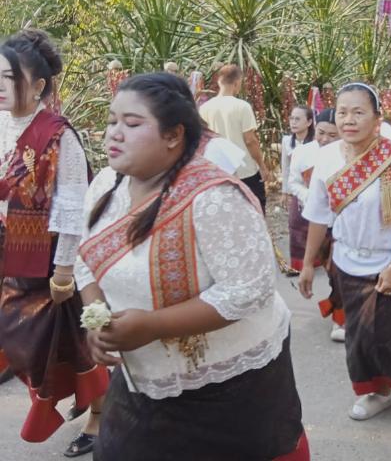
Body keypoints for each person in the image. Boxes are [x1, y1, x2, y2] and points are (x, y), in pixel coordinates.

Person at [74, 73, 308, 461]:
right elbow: (86, 258)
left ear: (173, 135)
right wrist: (95, 319)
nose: (114, 132)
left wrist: (152, 326)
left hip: (230, 386)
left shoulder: (215, 198)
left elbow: (248, 290)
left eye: (132, 123)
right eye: (112, 120)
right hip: (142, 377)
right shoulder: (105, 186)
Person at [0, 31, 109, 457]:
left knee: (70, 343)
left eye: (11, 77)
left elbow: (71, 205)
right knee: (27, 344)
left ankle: (99, 413)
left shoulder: (58, 135)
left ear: (39, 86)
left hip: (49, 260)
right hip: (9, 254)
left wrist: (64, 269)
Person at [299, 83, 391, 423]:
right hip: (346, 261)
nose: (348, 120)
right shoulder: (326, 157)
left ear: (377, 118)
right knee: (356, 338)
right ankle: (379, 394)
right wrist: (308, 264)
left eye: (358, 112)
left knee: (381, 336)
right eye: (342, 112)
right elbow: (318, 216)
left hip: (389, 260)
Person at [287, 109, 345, 342]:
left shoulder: (348, 154)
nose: (325, 139)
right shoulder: (302, 153)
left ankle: (341, 319)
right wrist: (311, 197)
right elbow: (293, 182)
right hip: (316, 222)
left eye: (333, 135)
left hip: (342, 223)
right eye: (321, 133)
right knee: (331, 273)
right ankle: (339, 308)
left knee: (340, 273)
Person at [199, 64, 269, 211]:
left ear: (219, 81)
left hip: (218, 170)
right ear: (237, 83)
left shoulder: (205, 108)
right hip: (244, 170)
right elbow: (250, 140)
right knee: (254, 210)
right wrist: (262, 166)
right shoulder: (242, 106)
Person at [281, 106, 315, 204]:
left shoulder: (315, 142)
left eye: (297, 119)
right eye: (292, 118)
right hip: (295, 188)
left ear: (309, 122)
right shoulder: (287, 141)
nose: (293, 122)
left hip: (312, 189)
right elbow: (285, 168)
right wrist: (284, 192)